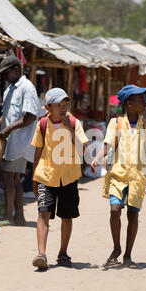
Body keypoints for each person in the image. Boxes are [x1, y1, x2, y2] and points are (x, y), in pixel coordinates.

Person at [91, 85, 146, 268]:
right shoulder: (116, 123)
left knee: (133, 214)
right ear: (130, 104)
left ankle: (128, 254)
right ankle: (117, 247)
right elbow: (107, 145)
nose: (145, 103)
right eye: (141, 99)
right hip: (118, 175)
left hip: (137, 176)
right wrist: (96, 159)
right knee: (114, 210)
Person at [31, 88, 89, 270]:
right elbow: (38, 152)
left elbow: (82, 151)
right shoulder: (41, 124)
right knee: (43, 213)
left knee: (66, 216)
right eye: (59, 105)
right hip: (46, 176)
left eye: (65, 105)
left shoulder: (74, 123)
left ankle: (63, 253)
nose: (63, 109)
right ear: (48, 107)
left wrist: (70, 130)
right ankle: (41, 254)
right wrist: (34, 178)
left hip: (69, 177)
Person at [0, 56, 39, 226]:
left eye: (6, 72)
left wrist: (9, 128)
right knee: (14, 179)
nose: (4, 76)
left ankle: (8, 216)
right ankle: (19, 217)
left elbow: (31, 116)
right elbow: (9, 113)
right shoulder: (10, 88)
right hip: (12, 142)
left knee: (8, 177)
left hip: (20, 142)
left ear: (16, 70)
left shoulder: (27, 87)